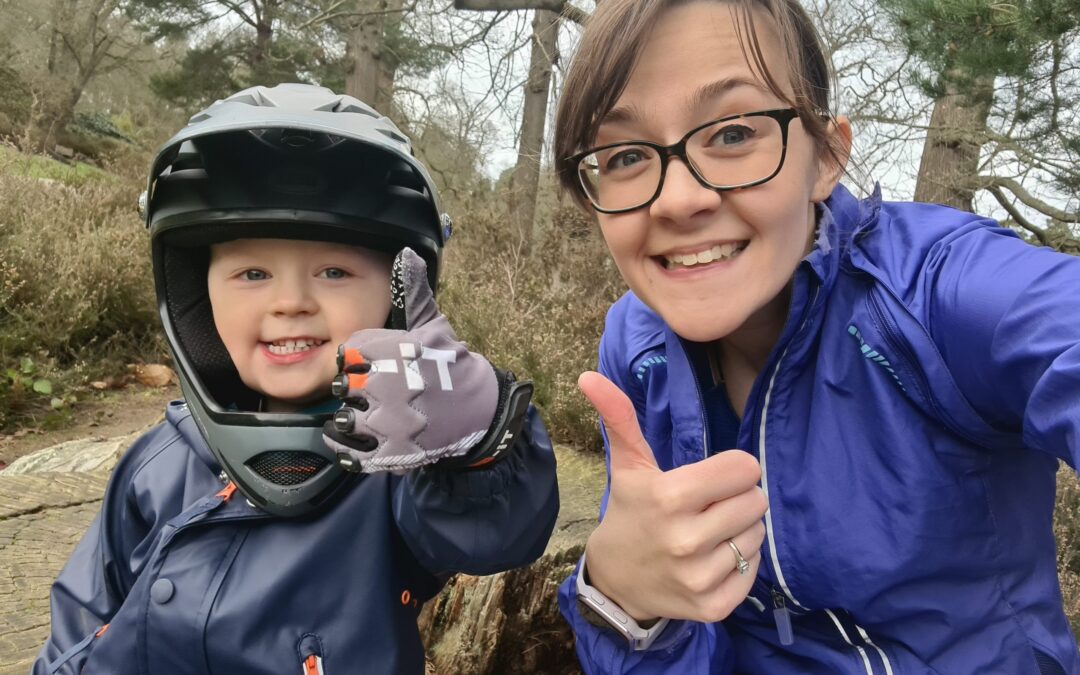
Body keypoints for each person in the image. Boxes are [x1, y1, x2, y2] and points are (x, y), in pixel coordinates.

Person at [553, 1, 1080, 673]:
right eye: (625, 153)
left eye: (734, 133)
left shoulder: (935, 295)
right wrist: (624, 599)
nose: (678, 200)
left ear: (827, 155)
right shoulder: (635, 350)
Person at [34, 83, 558, 674]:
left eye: (333, 271)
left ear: (393, 301)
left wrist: (481, 439)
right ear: (194, 299)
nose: (290, 302)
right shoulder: (158, 463)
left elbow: (492, 533)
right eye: (252, 273)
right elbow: (81, 617)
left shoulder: (397, 472)